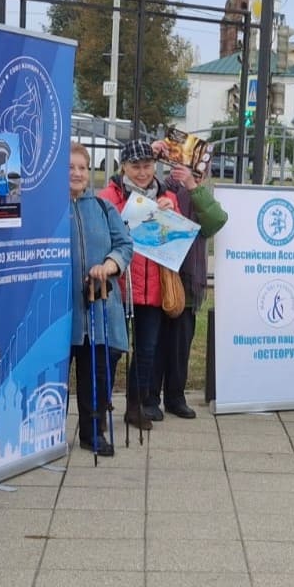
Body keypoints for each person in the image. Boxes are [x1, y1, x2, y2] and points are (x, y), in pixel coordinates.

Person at [98, 139, 180, 427]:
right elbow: (102, 236)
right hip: (120, 286)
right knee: (114, 350)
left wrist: (171, 214)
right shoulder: (109, 195)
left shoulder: (167, 196)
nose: (142, 172)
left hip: (154, 286)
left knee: (146, 351)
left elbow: (176, 242)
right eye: (135, 166)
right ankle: (100, 406)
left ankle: (135, 406)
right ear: (124, 166)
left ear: (155, 166)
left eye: (147, 166)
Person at [149, 139, 230, 419]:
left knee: (180, 344)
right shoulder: (160, 188)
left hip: (188, 280)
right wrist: (152, 154)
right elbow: (132, 187)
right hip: (158, 277)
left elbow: (216, 221)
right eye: (181, 168)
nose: (187, 174)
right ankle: (150, 399)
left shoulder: (201, 196)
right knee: (155, 343)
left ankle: (175, 397)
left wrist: (193, 187)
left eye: (196, 172)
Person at [69, 144, 135, 455]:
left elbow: (124, 245)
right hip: (62, 308)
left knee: (96, 370)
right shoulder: (47, 210)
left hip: (98, 303)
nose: (77, 173)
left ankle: (92, 430)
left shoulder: (102, 207)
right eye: (70, 168)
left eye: (82, 168)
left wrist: (108, 266)